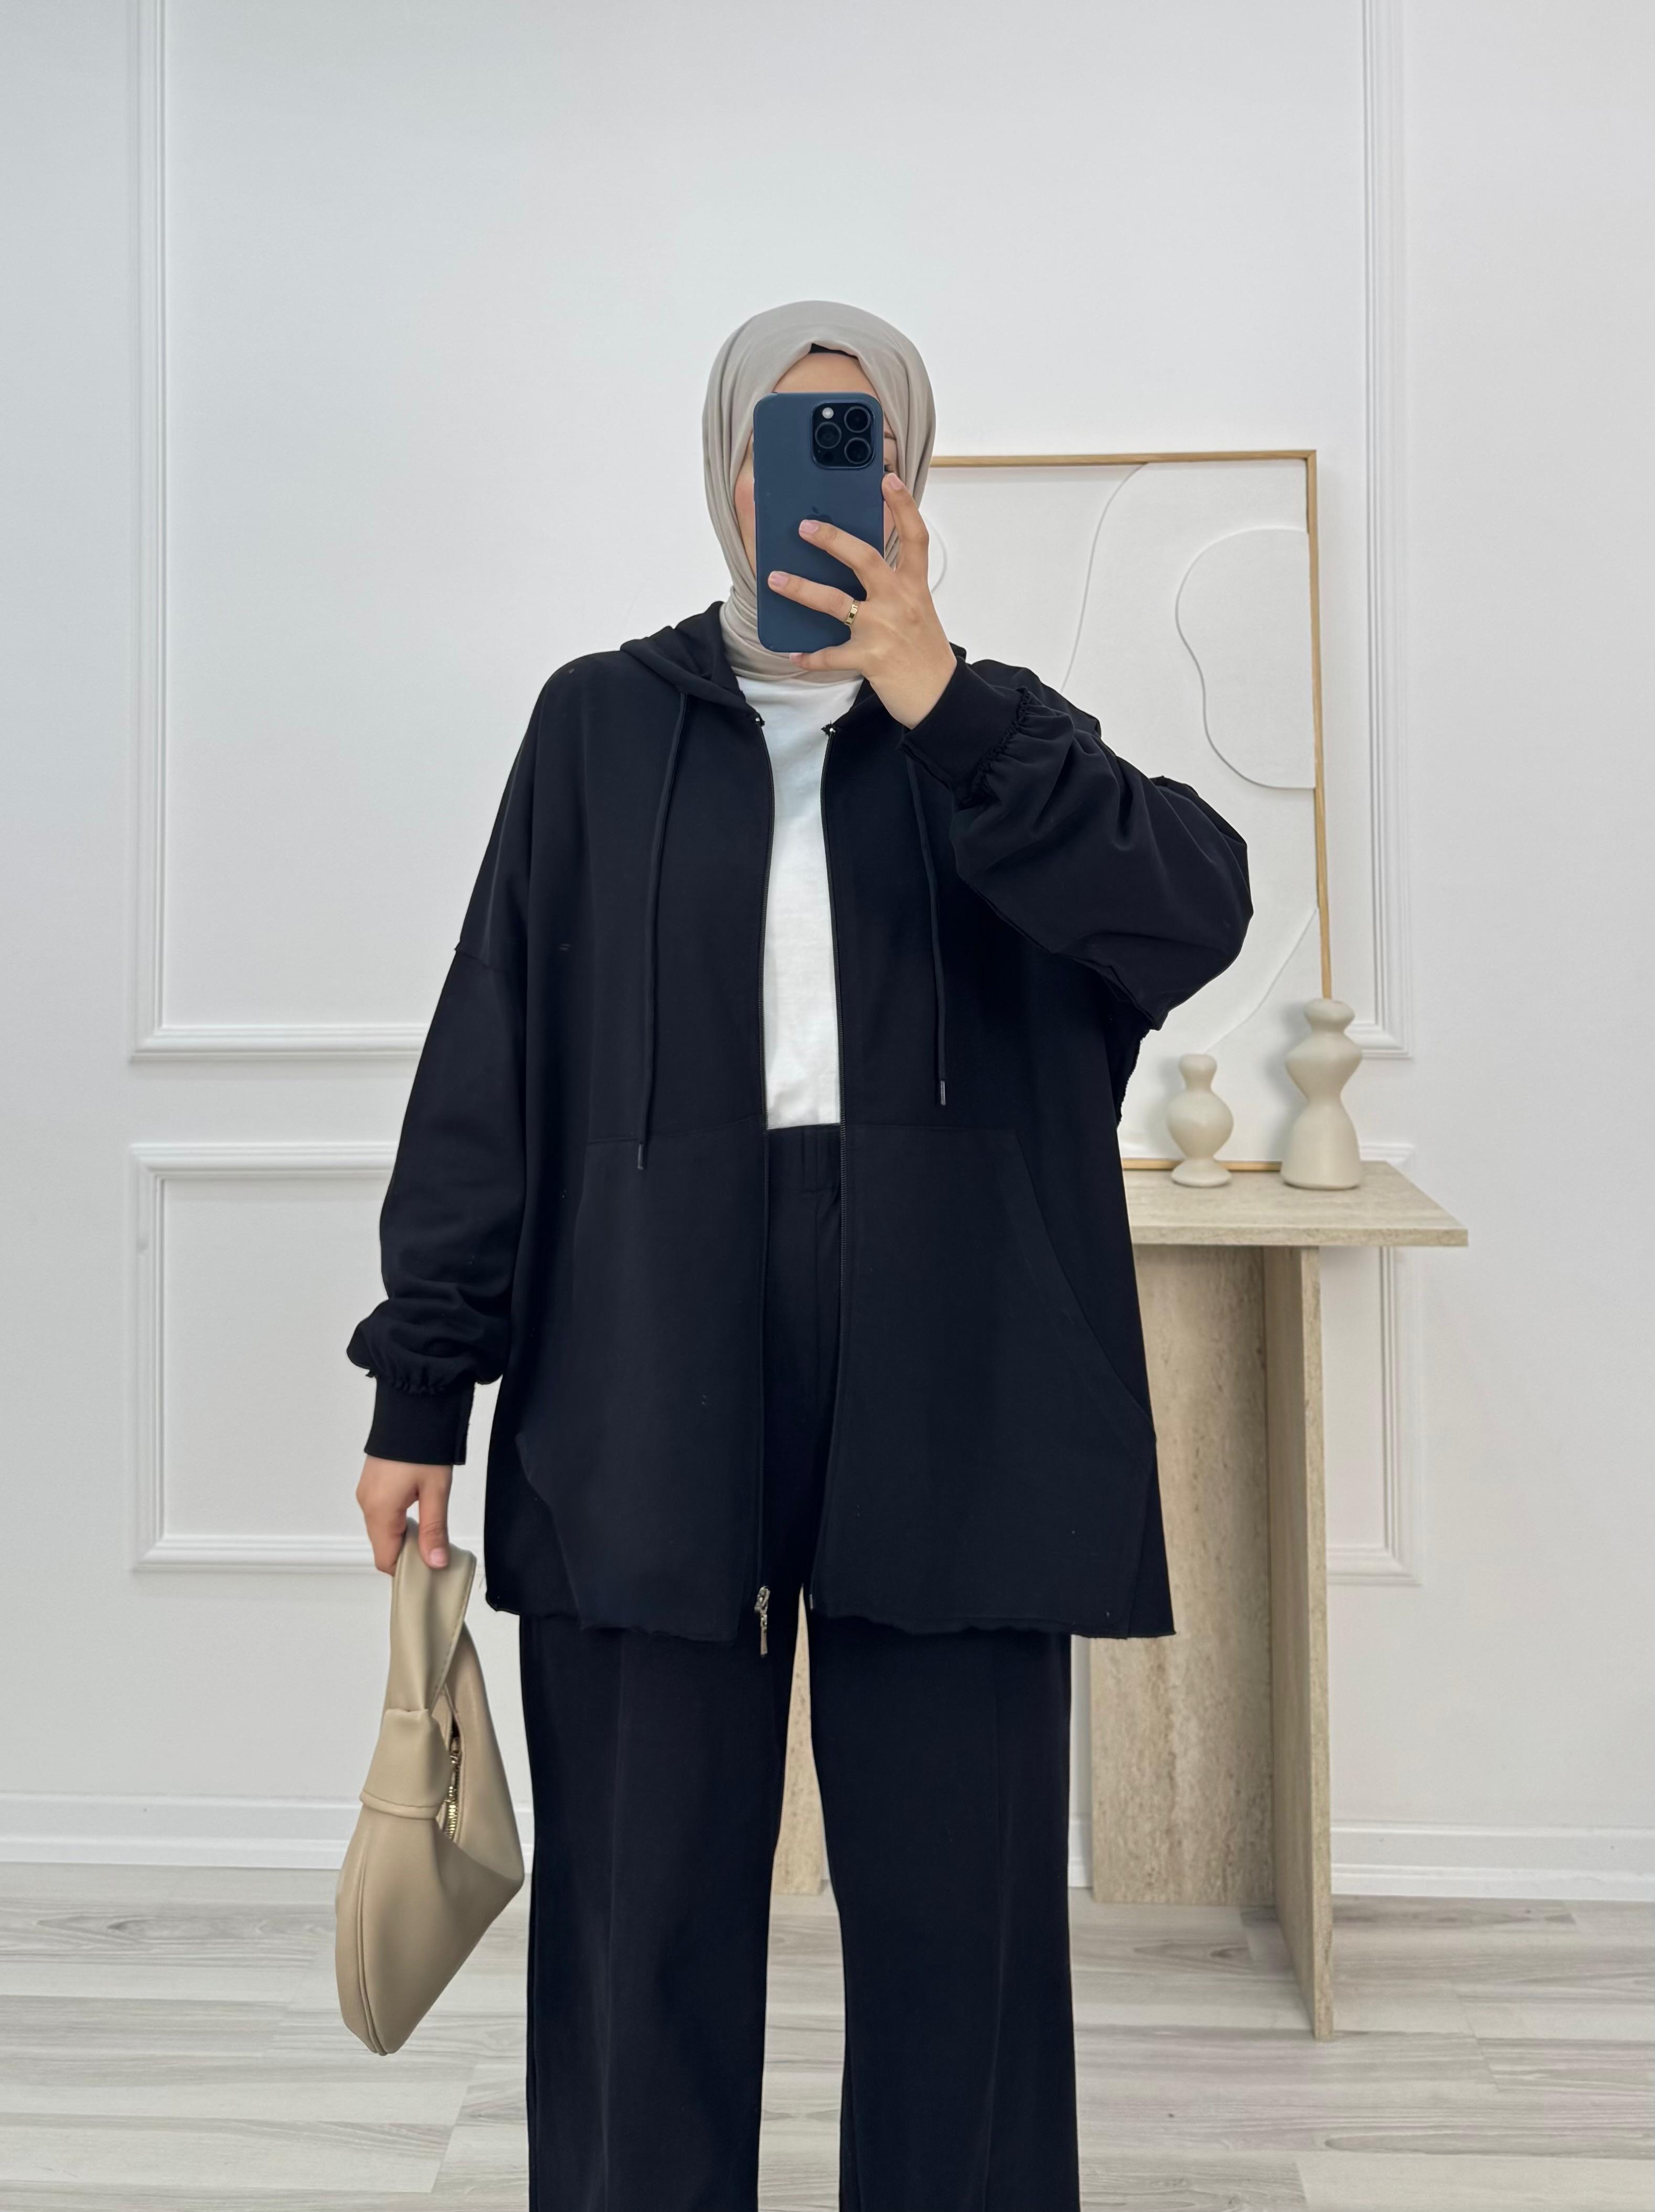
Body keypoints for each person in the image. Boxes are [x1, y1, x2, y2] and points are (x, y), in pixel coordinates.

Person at [347, 299, 1252, 2212]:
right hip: (643, 1351)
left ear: (912, 480)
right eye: (787, 439)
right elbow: (494, 1055)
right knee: (641, 1902)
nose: (821, 481)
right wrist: (422, 1381)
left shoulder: (993, 738)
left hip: (957, 1359)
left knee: (961, 1921)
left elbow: (1190, 909)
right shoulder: (597, 725)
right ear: (725, 470)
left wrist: (941, 694)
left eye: (864, 442)